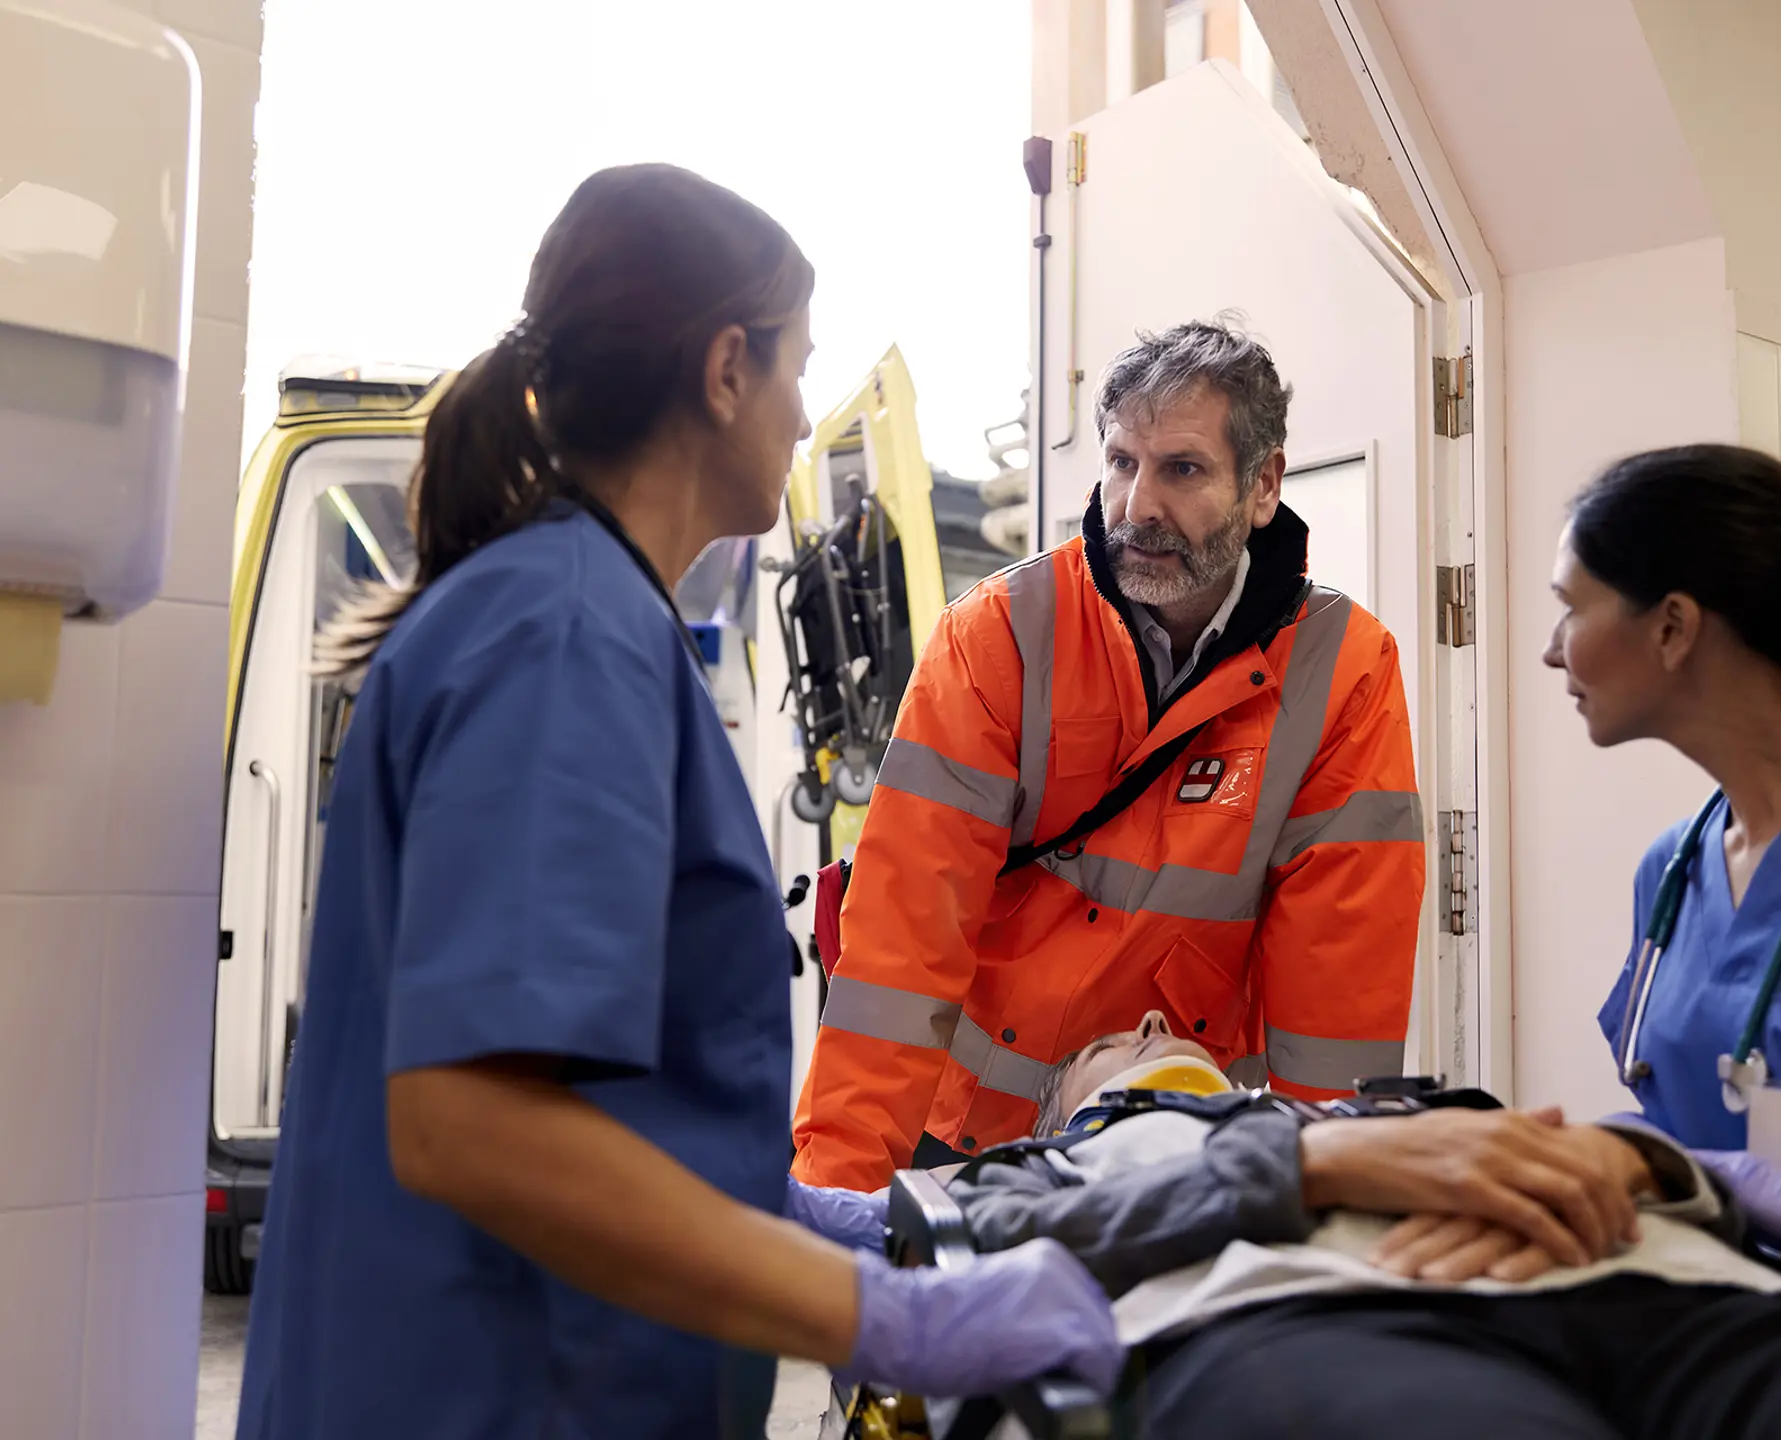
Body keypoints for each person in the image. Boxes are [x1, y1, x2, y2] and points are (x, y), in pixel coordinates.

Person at [235, 165, 1122, 1440]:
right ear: (723, 371)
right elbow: (471, 1125)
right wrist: (886, 1320)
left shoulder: (574, 614)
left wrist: (813, 1215)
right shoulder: (563, 633)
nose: (804, 409)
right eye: (796, 367)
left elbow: (605, 1104)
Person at [793, 319, 1425, 1188]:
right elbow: (901, 949)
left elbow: (1341, 993)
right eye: (1123, 461)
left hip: (1176, 1146)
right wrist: (841, 1203)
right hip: (965, 1137)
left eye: (1183, 469)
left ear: (1264, 484)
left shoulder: (1344, 673)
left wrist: (1331, 1206)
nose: (1138, 507)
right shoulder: (1001, 636)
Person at [933, 1010, 1781, 1439]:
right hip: (1308, 1322)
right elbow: (982, 1255)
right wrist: (1301, 1166)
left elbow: (1689, 1176)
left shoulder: (1408, 1105)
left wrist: (1642, 1162)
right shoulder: (1040, 1164)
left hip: (1661, 1284)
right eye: (1112, 1043)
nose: (1152, 1028)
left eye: (1157, 1025)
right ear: (1065, 1113)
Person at [1543, 443, 1781, 1274]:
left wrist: (1711, 1180)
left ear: (1673, 626)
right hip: (1711, 1321)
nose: (1551, 650)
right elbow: (1687, 1122)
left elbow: (1702, 1163)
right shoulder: (1670, 873)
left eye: (1570, 608)